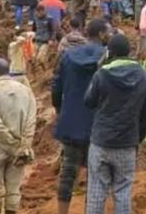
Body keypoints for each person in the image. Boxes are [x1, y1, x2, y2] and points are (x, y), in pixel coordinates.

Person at [83, 34, 146, 214]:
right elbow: (145, 114)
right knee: (122, 192)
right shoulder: (144, 77)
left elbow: (88, 101)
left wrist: (99, 68)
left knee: (96, 193)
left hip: (101, 142)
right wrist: (138, 138)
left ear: (110, 52)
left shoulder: (102, 74)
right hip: (127, 143)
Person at [51, 19, 108, 214]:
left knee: (68, 172)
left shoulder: (68, 55)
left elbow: (56, 87)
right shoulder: (107, 57)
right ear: (101, 35)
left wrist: (60, 109)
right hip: (98, 123)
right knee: (95, 174)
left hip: (71, 120)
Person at [0, 59, 36, 214]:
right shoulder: (26, 91)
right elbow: (31, 121)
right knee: (13, 190)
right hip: (20, 149)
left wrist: (10, 144)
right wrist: (23, 145)